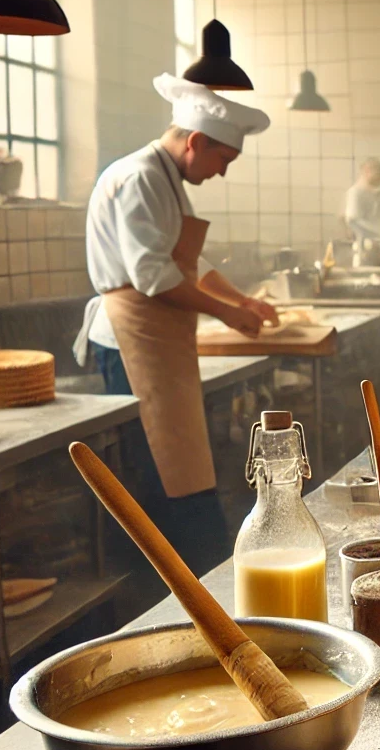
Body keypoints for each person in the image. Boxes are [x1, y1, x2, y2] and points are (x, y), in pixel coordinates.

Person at [73, 73, 277, 572]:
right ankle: (171, 580)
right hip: (131, 338)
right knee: (160, 468)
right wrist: (228, 313)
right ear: (197, 142)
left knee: (178, 462)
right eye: (222, 161)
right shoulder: (142, 176)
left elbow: (187, 267)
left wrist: (243, 300)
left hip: (157, 333)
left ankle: (194, 570)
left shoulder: (166, 177)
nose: (222, 173)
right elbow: (151, 277)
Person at [344, 157, 380, 261]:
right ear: (367, 171)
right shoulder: (355, 193)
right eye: (378, 176)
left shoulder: (378, 194)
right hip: (366, 250)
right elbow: (353, 222)